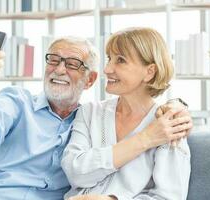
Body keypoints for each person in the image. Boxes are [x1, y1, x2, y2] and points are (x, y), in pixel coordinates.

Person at [0, 36, 191, 200]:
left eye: (72, 63)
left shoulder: (88, 117)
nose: (59, 69)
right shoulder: (17, 102)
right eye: (53, 60)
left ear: (90, 79)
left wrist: (176, 104)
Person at [61, 27, 192, 200]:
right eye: (109, 58)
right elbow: (75, 171)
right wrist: (145, 138)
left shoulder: (169, 124)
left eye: (120, 60)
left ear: (149, 72)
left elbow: (169, 197)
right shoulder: (89, 112)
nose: (107, 69)